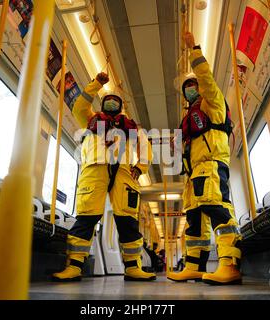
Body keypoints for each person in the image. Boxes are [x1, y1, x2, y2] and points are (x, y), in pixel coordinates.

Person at [51, 72, 156, 282]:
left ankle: (133, 267)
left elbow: (145, 145)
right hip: (94, 170)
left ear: (121, 106)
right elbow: (79, 105)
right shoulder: (90, 118)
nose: (111, 103)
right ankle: (74, 266)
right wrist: (97, 84)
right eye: (107, 100)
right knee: (86, 217)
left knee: (127, 220)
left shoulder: (130, 127)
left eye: (115, 101)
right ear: (102, 104)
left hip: (124, 174)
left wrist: (141, 167)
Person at [167, 32, 242, 285]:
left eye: (193, 84)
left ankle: (229, 265)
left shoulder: (213, 102)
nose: (190, 89)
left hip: (211, 165)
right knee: (195, 223)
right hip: (194, 173)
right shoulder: (189, 117)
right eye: (186, 87)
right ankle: (194, 267)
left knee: (217, 210)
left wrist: (194, 51)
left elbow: (207, 79)